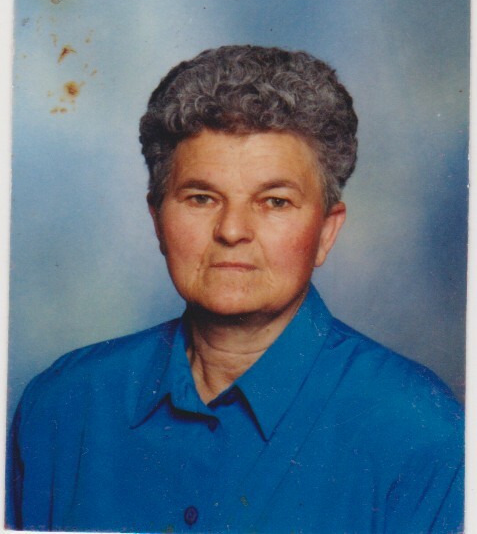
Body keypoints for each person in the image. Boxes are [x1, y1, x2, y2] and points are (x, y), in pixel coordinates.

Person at [6, 45, 464, 533]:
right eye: (201, 198)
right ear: (157, 220)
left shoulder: (421, 432)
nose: (231, 230)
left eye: (274, 201)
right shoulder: (63, 405)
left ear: (326, 232)